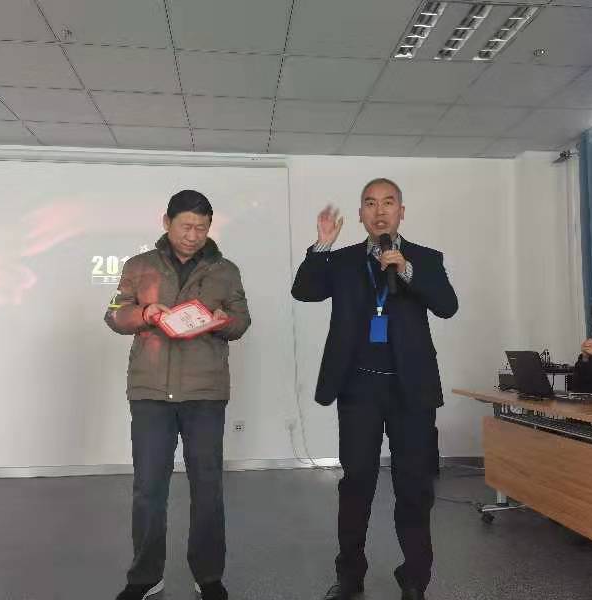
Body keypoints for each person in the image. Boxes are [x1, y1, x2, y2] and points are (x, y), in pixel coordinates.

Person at [291, 178, 458, 600]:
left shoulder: (425, 258)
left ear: (401, 211)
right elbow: (304, 291)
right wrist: (322, 244)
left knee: (414, 485)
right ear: (361, 214)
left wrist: (407, 271)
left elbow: (447, 306)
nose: (379, 211)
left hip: (411, 389)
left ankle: (415, 577)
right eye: (370, 203)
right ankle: (350, 575)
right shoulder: (342, 260)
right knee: (357, 483)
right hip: (359, 388)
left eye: (388, 203)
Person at [105, 190, 250, 600]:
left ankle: (209, 576)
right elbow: (113, 313)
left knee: (208, 487)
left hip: (205, 394)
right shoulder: (138, 266)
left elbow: (242, 320)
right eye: (186, 226)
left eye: (201, 228)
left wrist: (223, 321)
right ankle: (145, 576)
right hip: (151, 392)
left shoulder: (225, 270)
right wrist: (145, 314)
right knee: (148, 488)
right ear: (166, 222)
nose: (193, 235)